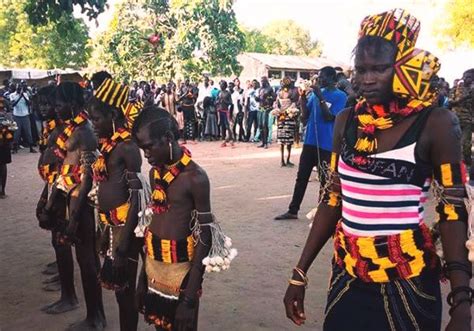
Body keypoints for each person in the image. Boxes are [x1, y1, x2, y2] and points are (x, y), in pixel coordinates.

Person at [283, 9, 472, 331]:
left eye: (380, 69)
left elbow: (453, 211)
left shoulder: (436, 124)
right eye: (361, 69)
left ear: (403, 67)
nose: (367, 79)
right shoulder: (346, 121)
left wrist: (462, 303)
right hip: (347, 276)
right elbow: (332, 199)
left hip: (409, 283)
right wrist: (299, 273)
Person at [132, 107, 214, 330]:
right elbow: (152, 224)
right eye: (142, 149)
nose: (146, 155)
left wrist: (189, 298)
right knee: (160, 326)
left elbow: (205, 235)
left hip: (183, 275)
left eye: (148, 147)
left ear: (168, 138)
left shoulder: (195, 179)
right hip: (154, 269)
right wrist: (142, 279)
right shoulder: (155, 173)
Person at [38, 82, 105, 330]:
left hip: (78, 204)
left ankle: (96, 317)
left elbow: (87, 177)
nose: (55, 108)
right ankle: (69, 297)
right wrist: (49, 198)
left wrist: (75, 217)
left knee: (87, 260)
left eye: (59, 103)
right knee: (66, 247)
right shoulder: (68, 129)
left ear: (74, 104)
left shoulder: (85, 132)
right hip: (64, 199)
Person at [89, 78, 144, 331]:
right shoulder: (110, 145)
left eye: (97, 118)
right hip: (112, 225)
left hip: (127, 227)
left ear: (113, 114)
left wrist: (122, 242)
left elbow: (137, 198)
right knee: (120, 290)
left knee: (125, 287)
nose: (93, 124)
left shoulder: (128, 148)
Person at [275, 67, 347, 220]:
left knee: (324, 181)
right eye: (318, 78)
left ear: (331, 79)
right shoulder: (314, 95)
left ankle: (322, 213)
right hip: (310, 142)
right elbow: (305, 117)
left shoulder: (340, 96)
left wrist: (320, 96)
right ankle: (293, 210)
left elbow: (329, 117)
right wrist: (302, 99)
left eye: (321, 78)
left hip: (327, 144)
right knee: (302, 177)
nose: (318, 80)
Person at [35, 85, 79, 312]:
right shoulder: (57, 129)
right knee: (57, 239)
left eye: (49, 104)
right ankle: (64, 281)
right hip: (55, 187)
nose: (45, 108)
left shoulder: (69, 132)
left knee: (62, 239)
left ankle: (69, 294)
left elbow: (66, 171)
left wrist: (52, 199)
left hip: (63, 192)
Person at [449, 69, 473, 167]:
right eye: (467, 77)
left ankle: (467, 163)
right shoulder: (456, 89)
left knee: (466, 144)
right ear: (463, 77)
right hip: (454, 119)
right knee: (453, 142)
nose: (469, 79)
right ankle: (454, 162)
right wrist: (466, 97)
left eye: (471, 77)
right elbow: (451, 102)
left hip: (468, 120)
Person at [274, 77, 299, 167]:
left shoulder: (279, 93)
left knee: (282, 141)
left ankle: (282, 160)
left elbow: (276, 105)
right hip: (288, 118)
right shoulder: (292, 93)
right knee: (288, 141)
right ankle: (286, 160)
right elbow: (293, 104)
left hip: (281, 118)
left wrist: (279, 112)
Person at [9, 82, 37, 153]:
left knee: (28, 132)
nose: (19, 89)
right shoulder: (12, 95)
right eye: (18, 88)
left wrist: (23, 96)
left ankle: (31, 147)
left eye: (20, 88)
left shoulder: (25, 94)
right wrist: (19, 97)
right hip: (17, 116)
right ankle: (15, 148)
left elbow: (29, 103)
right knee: (17, 133)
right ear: (16, 88)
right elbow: (13, 104)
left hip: (25, 115)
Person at [256, 77, 276, 149]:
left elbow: (274, 98)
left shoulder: (270, 88)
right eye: (261, 81)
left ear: (266, 81)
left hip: (266, 108)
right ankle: (263, 142)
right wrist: (257, 99)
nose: (262, 82)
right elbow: (259, 98)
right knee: (260, 125)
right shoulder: (260, 89)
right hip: (260, 107)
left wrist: (268, 98)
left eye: (263, 81)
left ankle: (266, 143)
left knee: (265, 125)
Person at [216, 80, 234, 147]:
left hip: (225, 111)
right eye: (220, 84)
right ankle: (223, 141)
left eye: (222, 84)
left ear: (225, 86)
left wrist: (225, 101)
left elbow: (231, 103)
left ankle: (231, 140)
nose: (221, 86)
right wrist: (218, 102)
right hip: (220, 110)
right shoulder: (219, 92)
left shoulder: (228, 93)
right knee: (222, 126)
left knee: (227, 126)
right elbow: (216, 101)